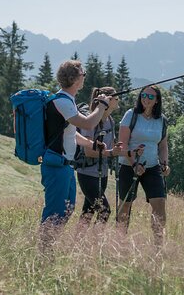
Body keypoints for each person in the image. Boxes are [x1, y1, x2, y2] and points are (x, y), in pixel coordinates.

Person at [39, 60, 111, 251]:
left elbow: (70, 132)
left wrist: (91, 143)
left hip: (66, 165)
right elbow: (87, 123)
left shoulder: (67, 101)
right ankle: (44, 252)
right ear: (74, 78)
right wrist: (102, 106)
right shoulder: (62, 100)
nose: (85, 76)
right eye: (83, 73)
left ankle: (48, 248)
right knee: (55, 212)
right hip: (57, 165)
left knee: (67, 210)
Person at [117, 85, 171, 246]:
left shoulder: (162, 120)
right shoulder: (131, 115)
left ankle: (158, 245)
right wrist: (134, 164)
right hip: (128, 165)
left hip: (152, 166)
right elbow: (123, 144)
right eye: (143, 95)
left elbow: (162, 146)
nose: (145, 99)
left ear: (157, 101)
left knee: (159, 204)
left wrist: (164, 164)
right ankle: (119, 244)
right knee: (125, 204)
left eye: (150, 97)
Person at [76, 87, 123, 226]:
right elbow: (88, 151)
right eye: (116, 98)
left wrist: (127, 152)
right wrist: (109, 153)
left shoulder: (110, 120)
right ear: (108, 100)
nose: (118, 100)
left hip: (102, 174)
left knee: (88, 211)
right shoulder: (91, 120)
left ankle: (77, 243)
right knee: (105, 211)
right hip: (87, 174)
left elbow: (110, 148)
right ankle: (95, 243)